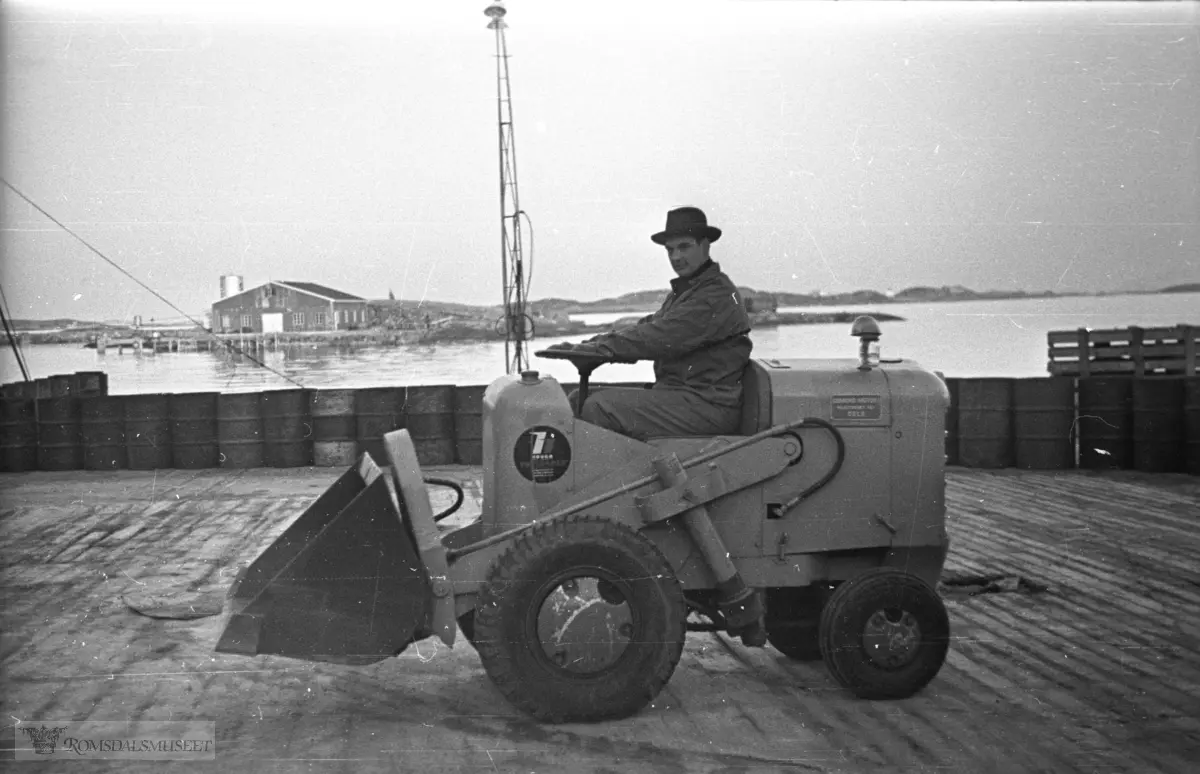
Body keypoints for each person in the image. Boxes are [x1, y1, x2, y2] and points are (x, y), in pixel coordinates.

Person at [550, 206, 752, 440]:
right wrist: (588, 346)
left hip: (708, 405)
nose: (676, 257)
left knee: (600, 408)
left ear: (705, 245)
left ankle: (613, 477)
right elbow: (646, 326)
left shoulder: (714, 295)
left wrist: (597, 350)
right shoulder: (687, 291)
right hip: (681, 396)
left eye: (684, 247)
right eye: (670, 250)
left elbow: (658, 337)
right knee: (578, 400)